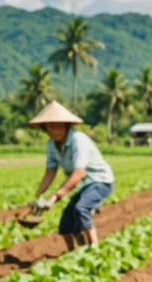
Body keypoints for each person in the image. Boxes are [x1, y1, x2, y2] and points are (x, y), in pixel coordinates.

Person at [29, 101, 115, 251]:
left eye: (58, 125)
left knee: (81, 208)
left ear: (66, 125)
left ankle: (94, 249)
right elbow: (50, 171)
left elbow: (79, 173)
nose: (54, 130)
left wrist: (54, 197)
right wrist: (38, 197)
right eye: (50, 126)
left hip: (101, 181)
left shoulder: (77, 140)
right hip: (85, 185)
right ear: (45, 128)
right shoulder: (51, 144)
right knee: (66, 222)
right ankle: (73, 252)